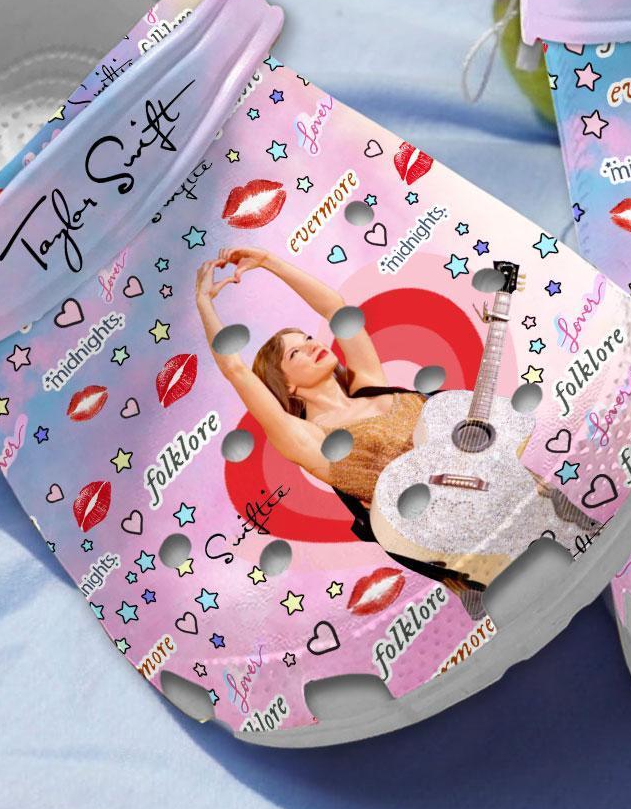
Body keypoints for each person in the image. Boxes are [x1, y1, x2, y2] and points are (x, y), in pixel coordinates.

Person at [194, 246, 488, 611]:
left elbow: (335, 309)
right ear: (286, 386)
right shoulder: (310, 439)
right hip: (460, 548)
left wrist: (270, 262)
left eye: (307, 338)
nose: (311, 345)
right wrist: (204, 302)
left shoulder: (369, 384)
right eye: (295, 353)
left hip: (497, 488)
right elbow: (235, 370)